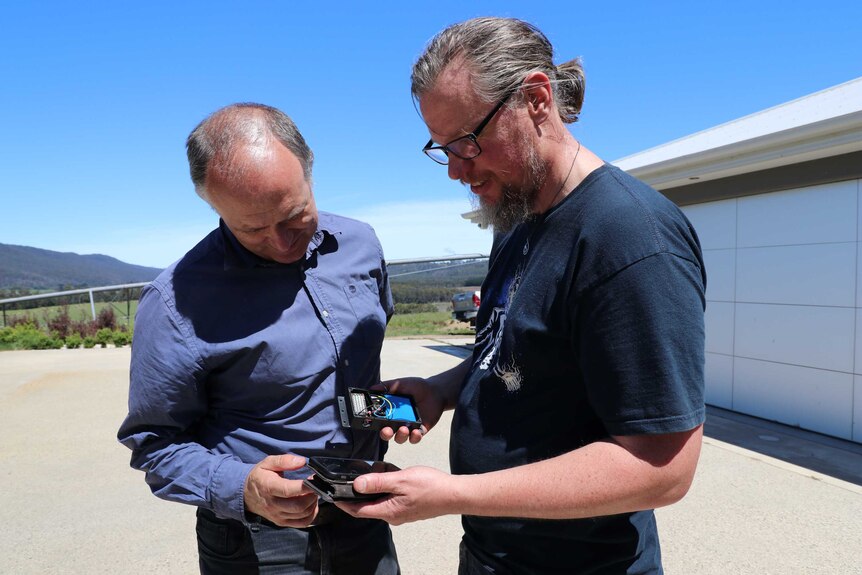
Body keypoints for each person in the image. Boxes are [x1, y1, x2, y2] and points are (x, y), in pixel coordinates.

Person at [338, 17, 706, 575]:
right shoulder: (517, 217)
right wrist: (439, 390)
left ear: (535, 99)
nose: (457, 171)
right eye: (442, 150)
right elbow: (510, 352)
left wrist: (452, 494)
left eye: (467, 143)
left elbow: (661, 467)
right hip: (496, 558)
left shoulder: (629, 238)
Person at [117, 103, 399, 575]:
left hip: (364, 517)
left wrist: (385, 411)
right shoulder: (175, 301)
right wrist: (243, 486)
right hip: (256, 544)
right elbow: (154, 443)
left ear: (310, 167)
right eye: (251, 229)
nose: (283, 243)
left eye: (295, 216)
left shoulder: (360, 245)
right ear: (213, 205)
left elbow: (348, 375)